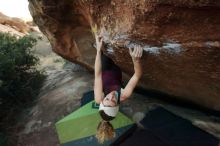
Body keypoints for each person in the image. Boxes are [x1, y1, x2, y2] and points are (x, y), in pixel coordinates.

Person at [94, 33, 143, 143]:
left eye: (107, 99)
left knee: (105, 47)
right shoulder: (124, 95)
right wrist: (136, 60)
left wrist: (98, 50)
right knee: (119, 49)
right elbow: (137, 75)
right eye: (113, 100)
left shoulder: (99, 97)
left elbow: (97, 75)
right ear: (117, 104)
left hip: (105, 68)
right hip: (116, 70)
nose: (111, 96)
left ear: (103, 100)